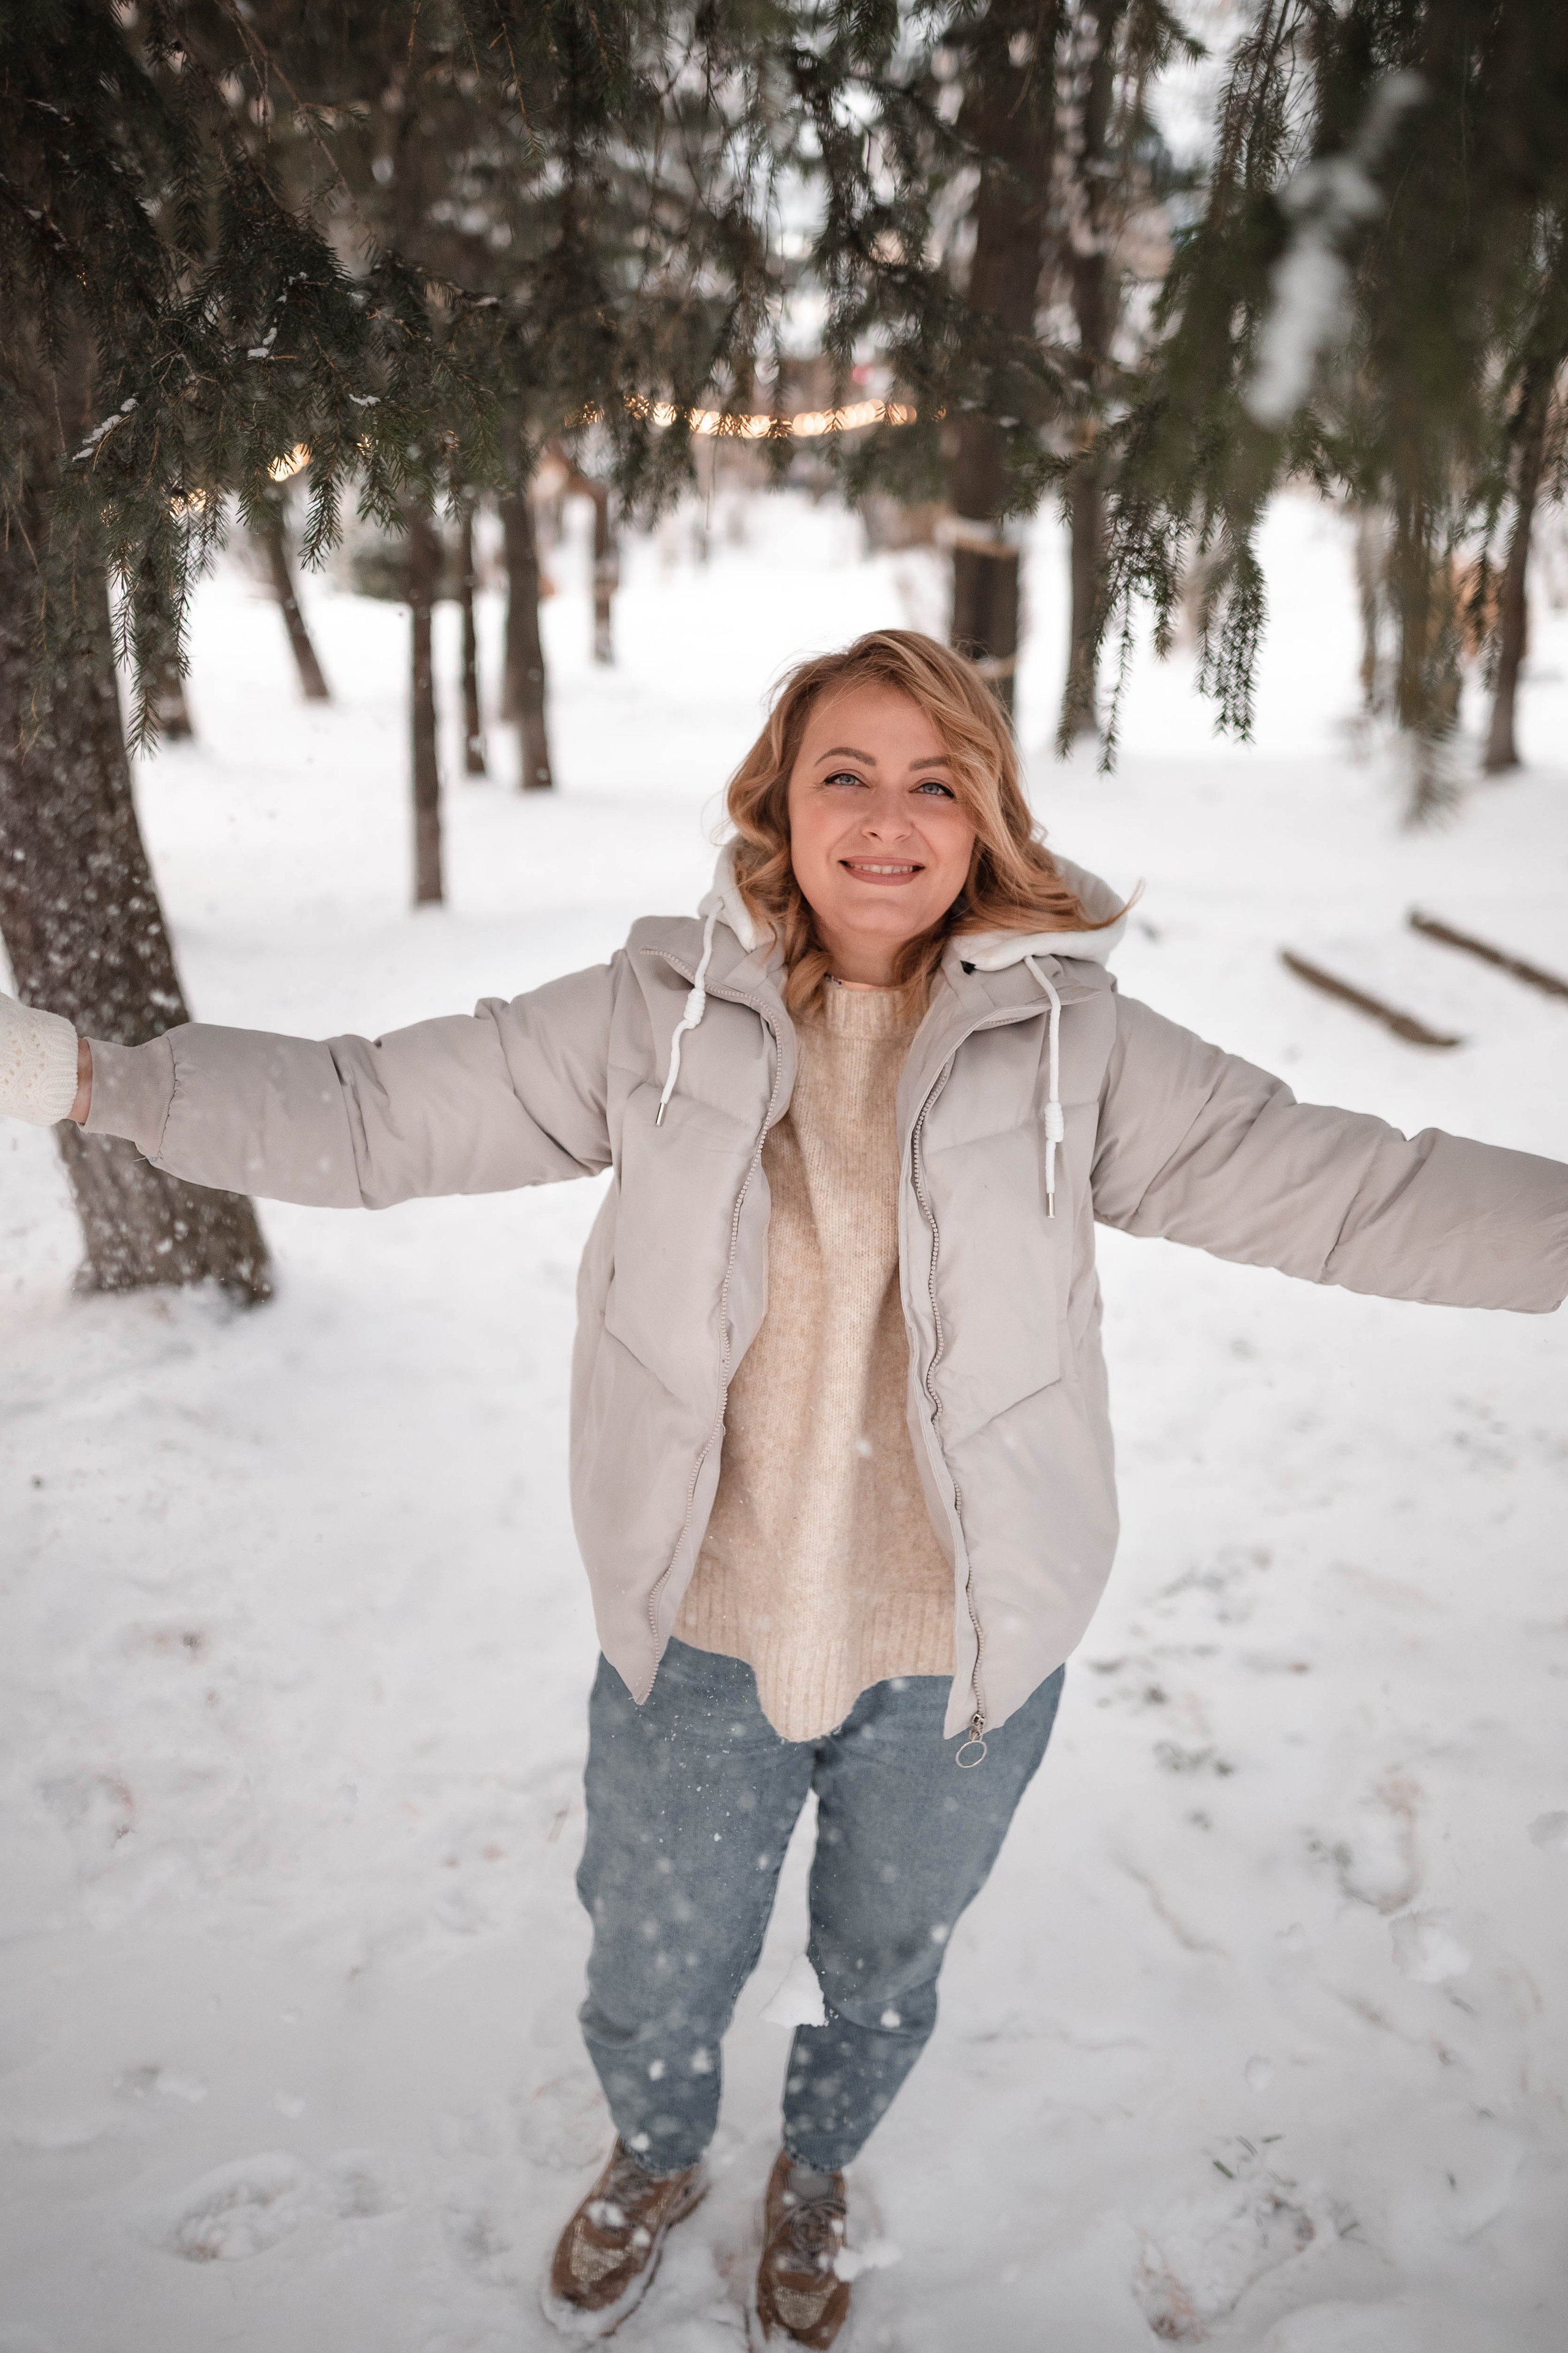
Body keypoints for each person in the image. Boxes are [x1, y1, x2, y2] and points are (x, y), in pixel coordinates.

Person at [2, 627, 1564, 2346]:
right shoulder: (654, 1015)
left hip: (959, 1651)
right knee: (652, 1961)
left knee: (887, 1962)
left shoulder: (1075, 1047)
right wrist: (98, 1081)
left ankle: (816, 2162)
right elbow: (371, 1113)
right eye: (848, 774)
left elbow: (1352, 1187)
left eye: (934, 782)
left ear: (985, 820)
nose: (887, 821)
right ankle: (660, 2149)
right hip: (705, 1628)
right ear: (779, 802)